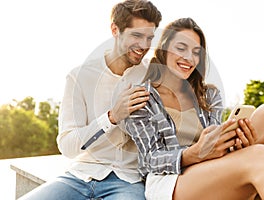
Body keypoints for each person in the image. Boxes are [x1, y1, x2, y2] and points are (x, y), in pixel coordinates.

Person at [124, 17, 264, 200]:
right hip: (171, 181)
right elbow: (149, 160)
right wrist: (193, 154)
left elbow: (215, 141)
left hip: (211, 167)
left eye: (195, 52)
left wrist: (235, 142)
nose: (188, 58)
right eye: (181, 48)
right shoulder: (142, 97)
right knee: (259, 156)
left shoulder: (208, 95)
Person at [19, 0, 162, 199]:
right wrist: (111, 117)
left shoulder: (153, 76)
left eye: (150, 38)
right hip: (79, 176)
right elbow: (68, 146)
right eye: (137, 35)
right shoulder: (80, 76)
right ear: (115, 29)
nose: (145, 46)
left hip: (128, 180)